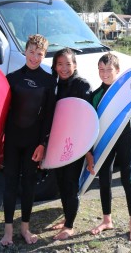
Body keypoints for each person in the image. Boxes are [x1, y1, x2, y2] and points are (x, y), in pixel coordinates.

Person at [0, 34, 57, 246]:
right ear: (25, 51)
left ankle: (25, 228)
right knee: (10, 183)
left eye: (39, 53)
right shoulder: (12, 78)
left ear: (44, 55)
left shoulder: (49, 81)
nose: (34, 57)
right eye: (31, 52)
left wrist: (43, 143)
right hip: (13, 139)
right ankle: (7, 231)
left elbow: (48, 115)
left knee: (29, 184)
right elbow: (1, 114)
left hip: (33, 141)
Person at [86, 52, 131, 241]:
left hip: (125, 140)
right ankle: (107, 220)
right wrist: (89, 151)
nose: (105, 73)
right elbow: (88, 124)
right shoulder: (95, 96)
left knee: (127, 179)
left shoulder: (127, 93)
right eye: (101, 70)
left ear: (118, 71)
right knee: (104, 180)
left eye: (109, 70)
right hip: (104, 143)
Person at [50, 47, 92, 240]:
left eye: (68, 64)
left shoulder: (82, 85)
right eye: (60, 64)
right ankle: (67, 218)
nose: (64, 68)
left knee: (71, 183)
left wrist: (88, 150)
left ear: (75, 65)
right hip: (58, 142)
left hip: (76, 144)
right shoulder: (55, 85)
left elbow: (88, 119)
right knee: (60, 182)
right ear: (55, 66)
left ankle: (69, 225)